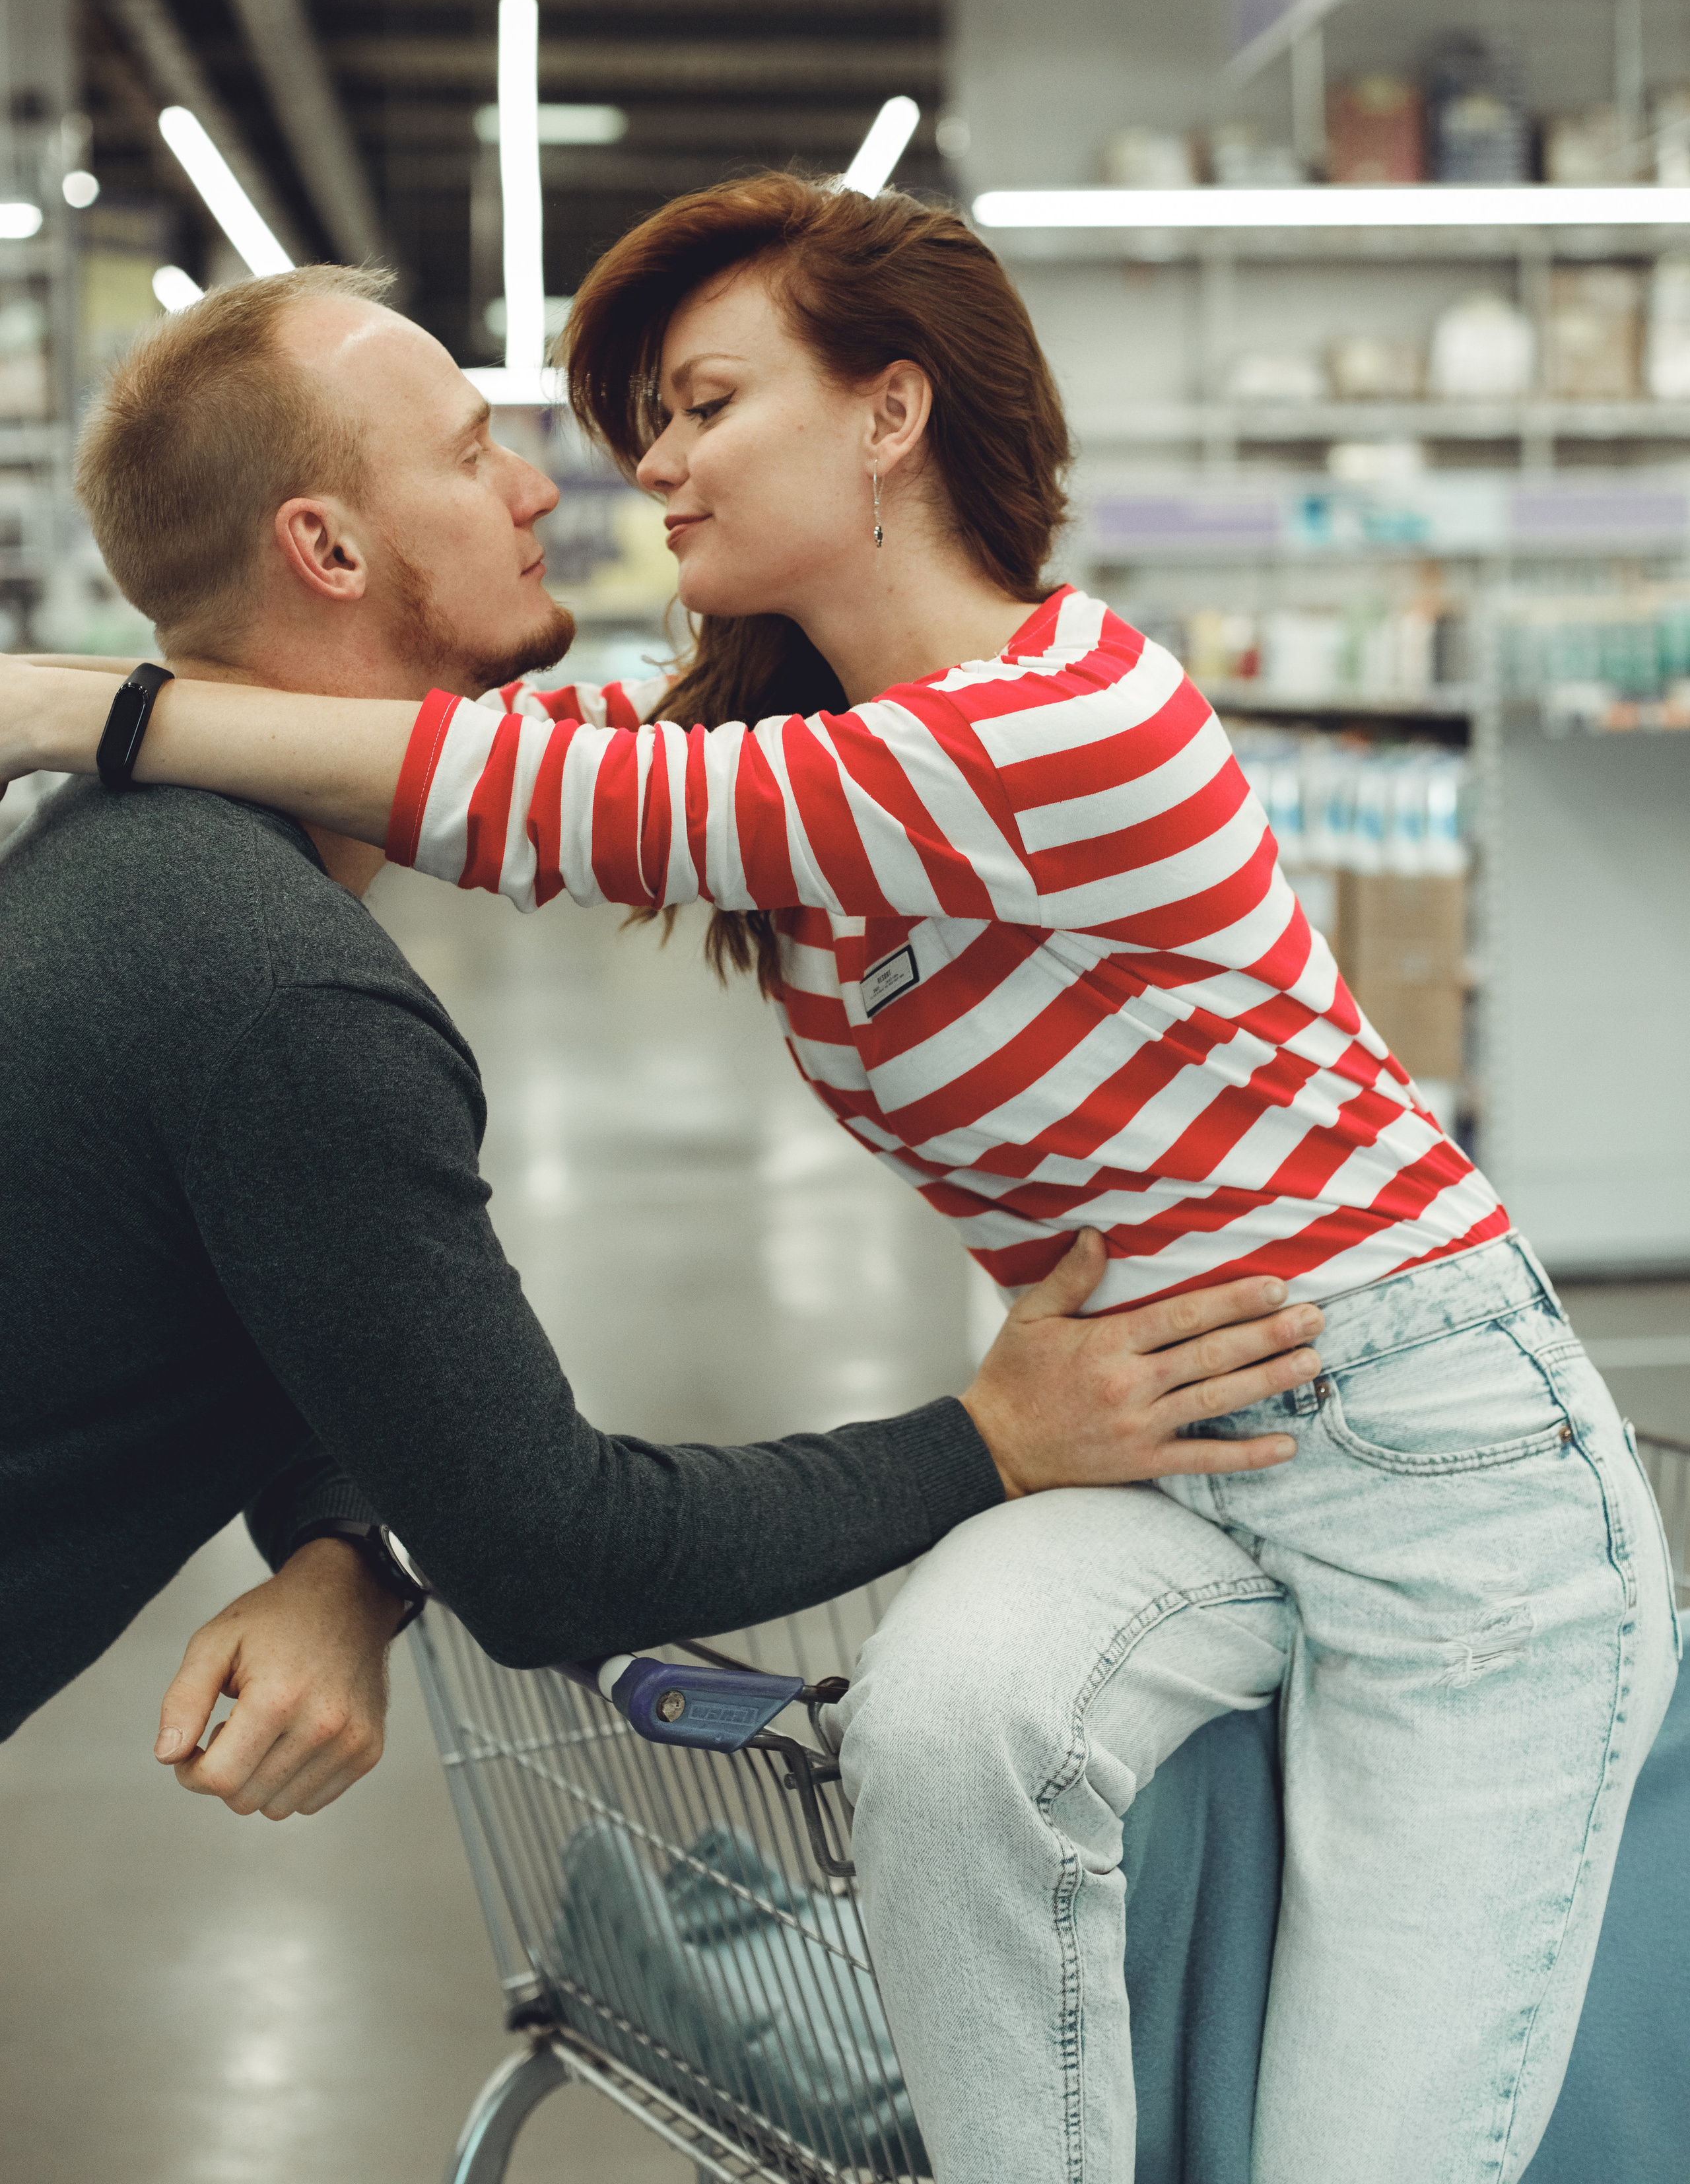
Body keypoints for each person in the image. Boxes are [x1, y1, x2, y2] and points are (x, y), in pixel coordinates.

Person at [5, 182, 1678, 2183]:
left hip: (1433, 1462)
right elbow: (517, 811)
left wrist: (57, 704)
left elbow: (568, 806)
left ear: (890, 416)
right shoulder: (755, 751)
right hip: (1164, 1436)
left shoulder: (1080, 719)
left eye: (704, 402)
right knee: (938, 1738)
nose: (642, 463)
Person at [0, 261, 1319, 1831]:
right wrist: (990, 1438)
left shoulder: (141, 858)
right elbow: (559, 1558)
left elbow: (287, 1291)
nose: (544, 488)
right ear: (328, 547)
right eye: (468, 453)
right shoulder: (278, 994)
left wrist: (340, 1547)